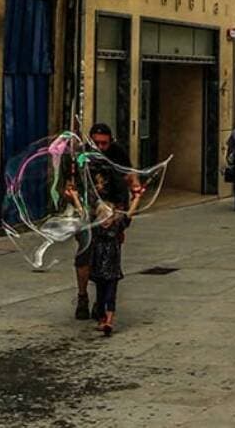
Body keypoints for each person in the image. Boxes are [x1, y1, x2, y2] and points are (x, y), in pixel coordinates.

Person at [65, 171, 141, 337]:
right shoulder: (96, 228)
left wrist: (136, 198)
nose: (106, 220)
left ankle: (109, 321)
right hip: (98, 270)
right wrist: (75, 197)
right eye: (102, 216)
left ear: (114, 217)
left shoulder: (117, 227)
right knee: (100, 296)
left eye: (109, 216)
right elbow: (83, 213)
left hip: (113, 270)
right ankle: (101, 319)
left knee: (110, 297)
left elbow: (129, 214)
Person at [74, 123, 135, 321]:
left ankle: (101, 303)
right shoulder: (82, 154)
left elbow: (129, 181)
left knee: (107, 260)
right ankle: (82, 297)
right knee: (84, 257)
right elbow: (72, 184)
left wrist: (122, 218)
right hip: (86, 213)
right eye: (96, 143)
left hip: (110, 214)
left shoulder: (118, 154)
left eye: (105, 143)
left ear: (111, 141)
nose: (100, 147)